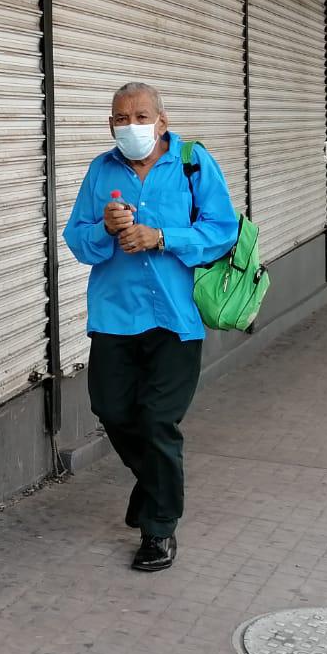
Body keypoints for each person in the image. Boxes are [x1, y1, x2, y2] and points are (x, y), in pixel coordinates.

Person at [63, 82, 239, 573]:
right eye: (121, 117)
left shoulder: (192, 161)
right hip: (116, 315)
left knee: (159, 420)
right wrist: (106, 228)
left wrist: (162, 236)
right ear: (110, 125)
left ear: (161, 121)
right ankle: (156, 486)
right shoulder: (101, 170)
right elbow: (77, 241)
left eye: (141, 116)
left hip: (176, 317)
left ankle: (159, 528)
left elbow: (222, 230)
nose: (131, 124)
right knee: (112, 409)